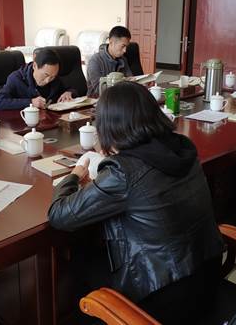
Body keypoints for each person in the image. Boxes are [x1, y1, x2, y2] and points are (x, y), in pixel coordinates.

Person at [48, 81, 223, 324]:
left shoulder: (124, 171)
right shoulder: (182, 147)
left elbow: (59, 215)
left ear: (110, 127)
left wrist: (75, 175)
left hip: (162, 296)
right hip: (207, 276)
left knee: (79, 263)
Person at [0, 47, 75, 110]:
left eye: (53, 76)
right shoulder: (16, 78)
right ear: (35, 66)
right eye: (46, 75)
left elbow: (70, 88)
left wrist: (69, 92)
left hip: (49, 121)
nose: (48, 80)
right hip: (25, 123)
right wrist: (30, 102)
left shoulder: (53, 77)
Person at [86, 26, 133, 96]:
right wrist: (124, 83)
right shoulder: (95, 61)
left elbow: (131, 79)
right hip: (98, 99)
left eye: (126, 46)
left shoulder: (123, 59)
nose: (125, 50)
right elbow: (99, 89)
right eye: (123, 46)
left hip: (119, 96)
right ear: (111, 42)